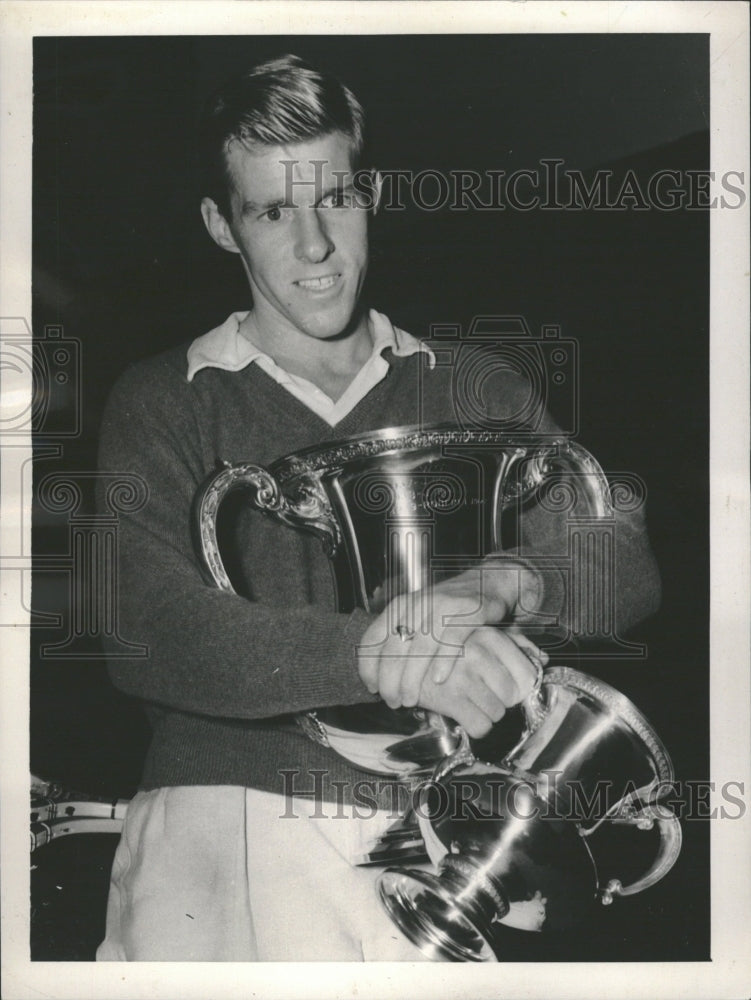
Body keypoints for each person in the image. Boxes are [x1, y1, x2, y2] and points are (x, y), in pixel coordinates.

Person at [95, 54, 660, 961]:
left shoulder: (476, 383)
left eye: (337, 200)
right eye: (272, 210)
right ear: (219, 224)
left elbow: (620, 554)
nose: (313, 246)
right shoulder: (164, 398)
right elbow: (144, 628)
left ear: (373, 194)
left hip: (455, 841)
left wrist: (500, 585)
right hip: (225, 832)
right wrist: (374, 652)